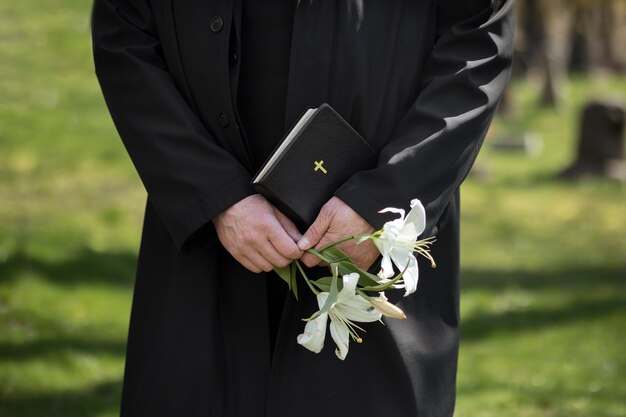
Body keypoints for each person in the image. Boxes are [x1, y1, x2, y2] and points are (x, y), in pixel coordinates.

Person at [91, 1, 514, 416]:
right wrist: (214, 196)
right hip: (205, 246)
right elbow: (124, 29)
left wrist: (383, 201)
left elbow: (479, 35)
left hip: (372, 245)